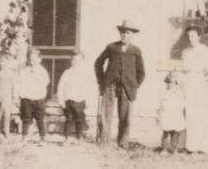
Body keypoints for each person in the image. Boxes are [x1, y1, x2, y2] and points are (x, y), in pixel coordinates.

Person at [94, 19, 145, 148]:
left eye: (128, 33)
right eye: (122, 32)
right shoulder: (111, 47)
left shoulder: (136, 50)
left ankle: (122, 142)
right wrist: (102, 81)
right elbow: (98, 63)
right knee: (106, 113)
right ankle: (104, 141)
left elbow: (141, 72)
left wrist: (134, 85)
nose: (124, 35)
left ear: (132, 35)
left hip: (127, 86)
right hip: (110, 84)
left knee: (125, 115)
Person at [181, 25, 208, 153]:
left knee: (202, 116)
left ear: (199, 37)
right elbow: (184, 70)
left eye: (193, 35)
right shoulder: (185, 52)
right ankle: (191, 146)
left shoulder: (206, 52)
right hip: (188, 85)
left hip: (201, 86)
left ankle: (202, 146)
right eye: (188, 36)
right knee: (190, 115)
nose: (190, 38)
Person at [18, 48, 50, 145]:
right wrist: (20, 95)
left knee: (40, 118)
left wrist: (36, 75)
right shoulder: (24, 71)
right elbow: (19, 83)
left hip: (38, 98)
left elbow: (46, 82)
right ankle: (24, 137)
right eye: (31, 60)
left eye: (35, 60)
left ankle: (42, 138)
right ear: (28, 60)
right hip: (27, 97)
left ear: (40, 60)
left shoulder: (42, 71)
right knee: (26, 118)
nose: (33, 62)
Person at [57, 51, 88, 142]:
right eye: (74, 60)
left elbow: (88, 87)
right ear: (71, 61)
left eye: (79, 60)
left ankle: (79, 137)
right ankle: (66, 138)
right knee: (69, 119)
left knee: (79, 120)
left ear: (82, 61)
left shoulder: (84, 74)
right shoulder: (67, 73)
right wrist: (61, 101)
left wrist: (88, 101)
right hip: (69, 100)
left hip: (80, 100)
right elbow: (61, 87)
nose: (76, 62)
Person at [156, 71, 186, 154]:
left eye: (171, 83)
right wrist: (159, 112)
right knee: (166, 132)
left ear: (176, 83)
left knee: (175, 133)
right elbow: (160, 104)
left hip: (175, 115)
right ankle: (164, 148)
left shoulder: (179, 93)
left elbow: (182, 104)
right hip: (166, 114)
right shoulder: (164, 93)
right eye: (167, 83)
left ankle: (174, 148)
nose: (169, 85)